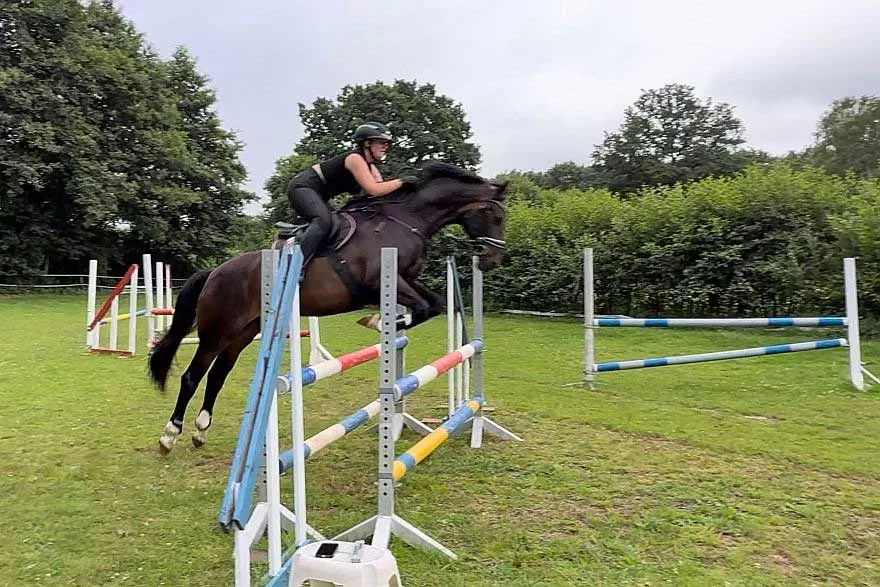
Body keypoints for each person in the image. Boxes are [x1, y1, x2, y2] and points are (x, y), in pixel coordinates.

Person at [286, 122, 419, 272]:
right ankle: (295, 266)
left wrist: (408, 191)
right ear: (367, 143)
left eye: (387, 143)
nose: (385, 147)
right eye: (381, 142)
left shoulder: (371, 167)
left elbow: (381, 192)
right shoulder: (355, 159)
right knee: (323, 221)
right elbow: (373, 189)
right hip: (303, 187)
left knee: (338, 223)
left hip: (320, 194)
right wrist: (402, 181)